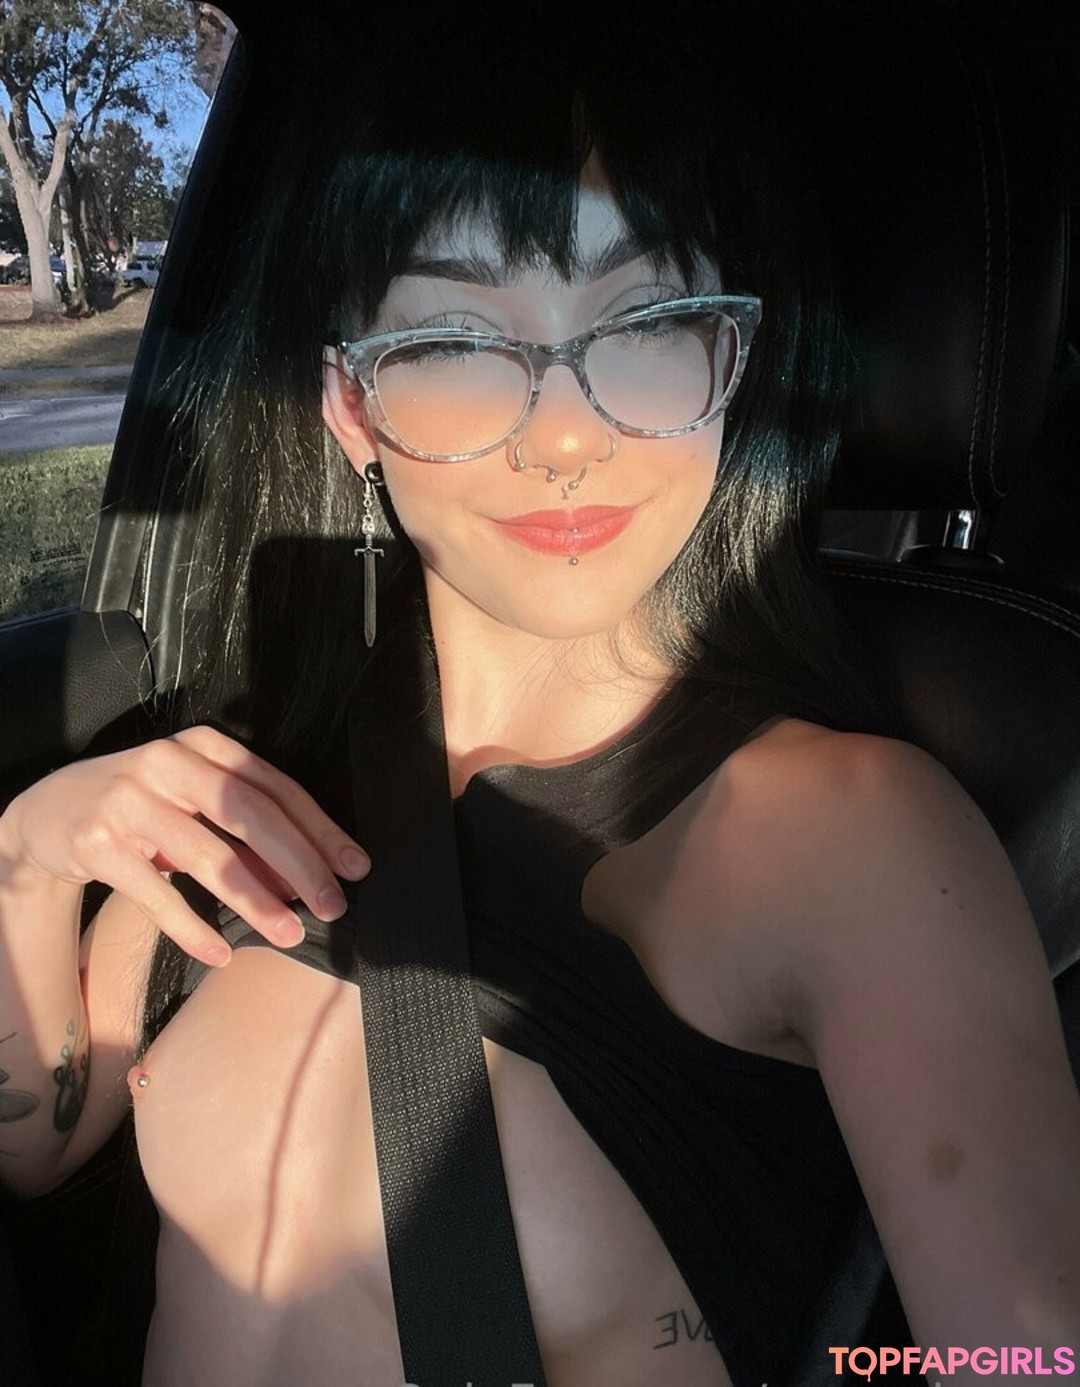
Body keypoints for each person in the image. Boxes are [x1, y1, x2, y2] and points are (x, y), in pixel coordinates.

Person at [1, 8, 1078, 1385]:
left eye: (647, 324)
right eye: (456, 341)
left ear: (730, 362)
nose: (567, 435)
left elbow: (1024, 1359)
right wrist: (32, 856)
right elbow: (37, 1145)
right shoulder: (264, 771)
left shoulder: (849, 839)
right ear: (352, 407)